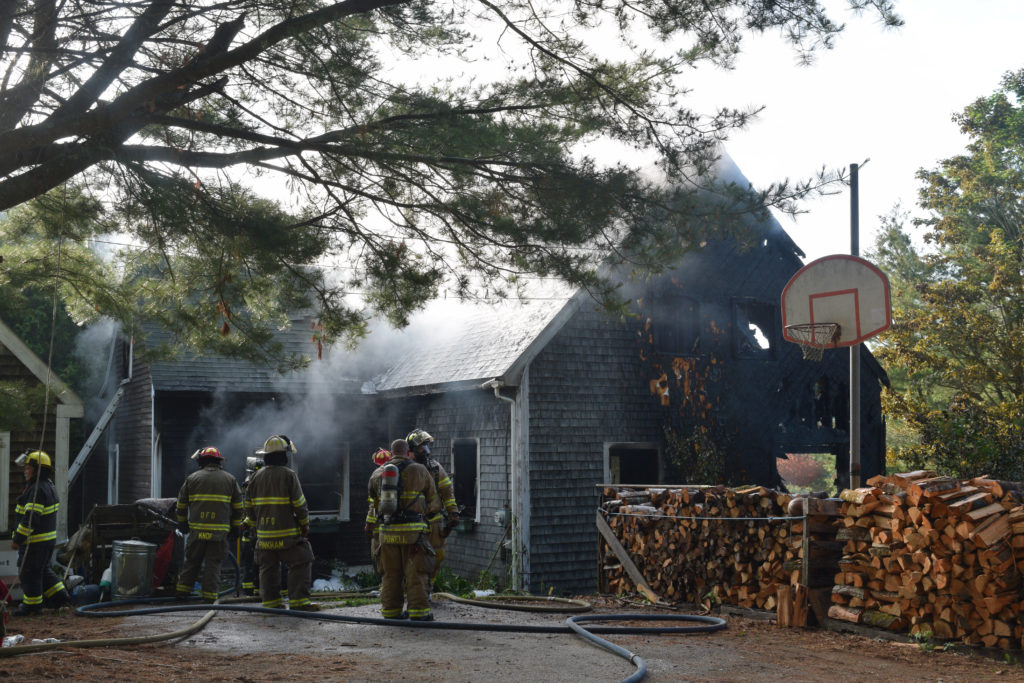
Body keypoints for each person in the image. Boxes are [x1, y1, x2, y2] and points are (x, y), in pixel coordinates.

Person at [365, 438, 439, 621]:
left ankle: (391, 612)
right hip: (413, 535)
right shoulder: (419, 470)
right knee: (416, 573)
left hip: (387, 534)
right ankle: (419, 613)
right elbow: (434, 501)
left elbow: (373, 505)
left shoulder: (377, 474)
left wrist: (371, 527)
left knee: (390, 575)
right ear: (408, 453)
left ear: (391, 453)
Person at [244, 435, 318, 611]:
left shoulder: (255, 477)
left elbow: (248, 506)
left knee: (268, 568)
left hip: (264, 537)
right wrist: (304, 524)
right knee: (302, 560)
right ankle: (298, 602)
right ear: (283, 456)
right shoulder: (289, 475)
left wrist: (255, 525)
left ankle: (271, 603)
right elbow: (300, 504)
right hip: (287, 535)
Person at [174, 446, 244, 602]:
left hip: (197, 532)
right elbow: (239, 507)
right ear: (219, 462)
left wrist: (182, 523)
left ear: (202, 461)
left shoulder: (192, 479)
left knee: (192, 563)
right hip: (218, 534)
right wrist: (235, 526)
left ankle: (181, 594)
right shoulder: (230, 480)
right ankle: (209, 598)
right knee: (213, 565)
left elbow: (181, 505)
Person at [10, 451, 71, 616]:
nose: (25, 471)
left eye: (28, 468)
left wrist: (18, 539)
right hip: (45, 542)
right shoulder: (48, 486)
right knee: (42, 570)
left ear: (37, 470)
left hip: (34, 543)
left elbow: (30, 519)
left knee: (29, 573)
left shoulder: (36, 490)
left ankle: (32, 608)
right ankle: (60, 596)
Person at [406, 429, 460, 587]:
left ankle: (429, 588)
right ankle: (411, 589)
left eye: (427, 447)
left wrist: (453, 513)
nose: (426, 451)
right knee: (411, 558)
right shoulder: (405, 469)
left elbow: (447, 492)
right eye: (422, 448)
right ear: (412, 450)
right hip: (411, 522)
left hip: (434, 521)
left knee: (437, 555)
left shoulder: (435, 468)